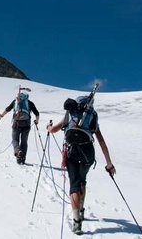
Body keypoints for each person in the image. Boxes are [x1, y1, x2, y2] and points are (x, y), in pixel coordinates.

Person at [46, 95, 116, 235]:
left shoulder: (71, 113)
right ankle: (82, 209)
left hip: (72, 152)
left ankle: (77, 223)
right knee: (82, 180)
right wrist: (109, 164)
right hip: (88, 152)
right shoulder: (92, 116)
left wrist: (48, 127)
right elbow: (101, 142)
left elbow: (54, 129)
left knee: (74, 185)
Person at [0, 91, 40, 164]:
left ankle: (18, 152)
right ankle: (22, 159)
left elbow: (8, 109)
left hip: (16, 123)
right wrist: (36, 121)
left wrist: (1, 115)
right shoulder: (29, 103)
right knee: (24, 142)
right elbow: (37, 113)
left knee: (15, 140)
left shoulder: (15, 101)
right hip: (26, 124)